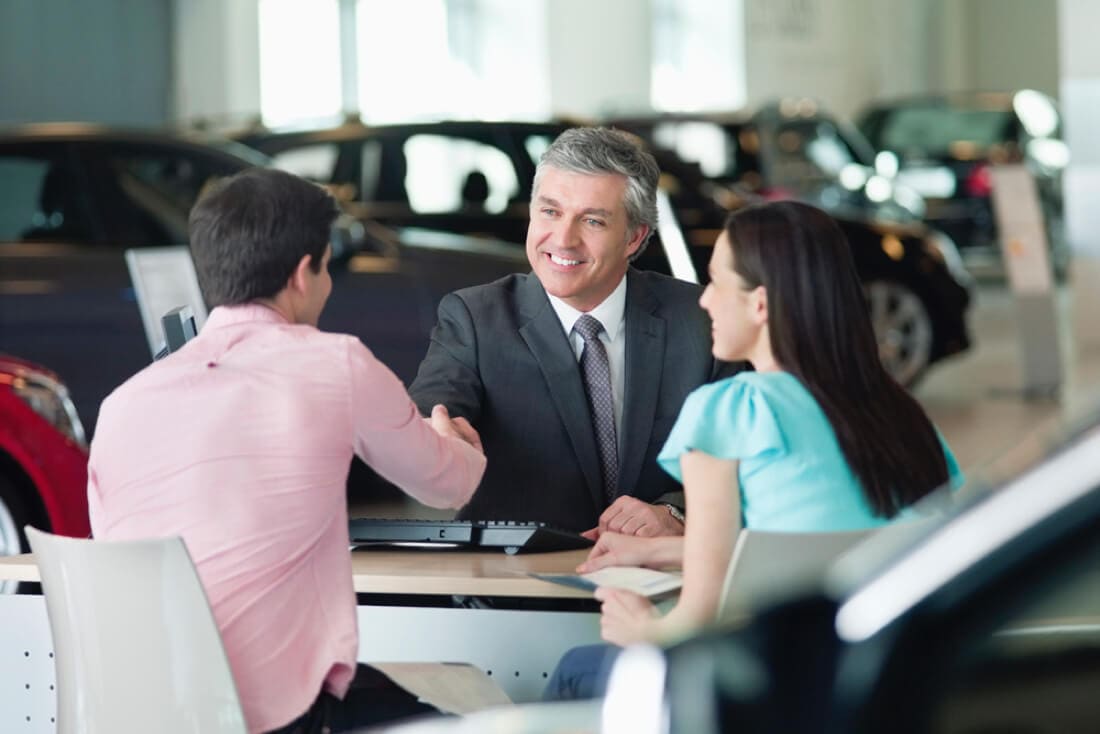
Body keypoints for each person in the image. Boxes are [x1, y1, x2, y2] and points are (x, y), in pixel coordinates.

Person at [87, 168, 487, 734]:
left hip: (147, 710)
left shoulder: (120, 405)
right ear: (305, 272)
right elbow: (446, 485)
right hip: (279, 717)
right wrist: (453, 440)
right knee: (485, 714)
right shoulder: (335, 362)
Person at [546, 200, 962, 699]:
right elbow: (823, 546)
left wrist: (641, 630)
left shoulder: (731, 411)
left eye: (718, 282)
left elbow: (694, 628)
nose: (705, 301)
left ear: (760, 304)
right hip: (885, 685)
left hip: (766, 688)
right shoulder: (901, 414)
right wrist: (666, 550)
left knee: (576, 665)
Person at [409, 127, 738, 535]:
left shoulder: (700, 319)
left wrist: (676, 513)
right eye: (550, 212)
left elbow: (739, 454)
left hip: (658, 576)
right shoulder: (475, 317)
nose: (564, 240)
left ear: (634, 237)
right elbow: (434, 412)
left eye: (593, 221)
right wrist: (435, 441)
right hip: (515, 585)